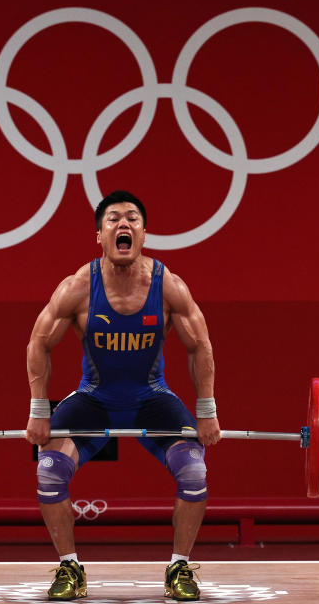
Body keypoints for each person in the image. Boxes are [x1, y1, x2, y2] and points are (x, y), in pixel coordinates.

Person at [25, 190, 221, 601]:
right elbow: (38, 343)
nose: (123, 225)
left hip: (152, 398)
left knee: (195, 473)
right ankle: (69, 568)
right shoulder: (78, 287)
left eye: (132, 218)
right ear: (99, 234)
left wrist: (207, 411)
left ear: (144, 233)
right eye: (113, 219)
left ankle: (179, 568)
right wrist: (39, 409)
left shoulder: (169, 286)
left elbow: (199, 345)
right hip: (93, 399)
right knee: (48, 470)